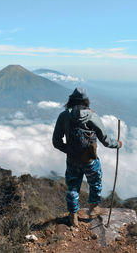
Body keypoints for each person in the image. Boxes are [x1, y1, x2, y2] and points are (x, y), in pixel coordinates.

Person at [52, 87, 122, 227]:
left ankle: (73, 216)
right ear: (86, 101)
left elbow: (56, 142)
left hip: (72, 160)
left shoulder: (64, 116)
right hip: (90, 159)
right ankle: (94, 208)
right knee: (95, 182)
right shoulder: (92, 116)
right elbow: (106, 141)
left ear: (71, 100)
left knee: (72, 187)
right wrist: (118, 144)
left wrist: (69, 150)